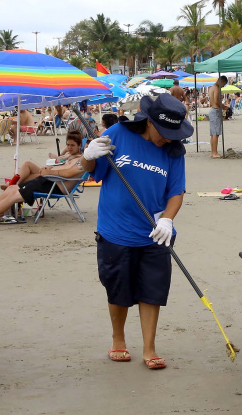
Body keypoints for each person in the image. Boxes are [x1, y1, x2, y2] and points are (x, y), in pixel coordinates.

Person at [79, 93, 193, 369]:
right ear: (149, 122)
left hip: (154, 232)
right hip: (116, 231)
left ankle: (149, 348)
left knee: (152, 290)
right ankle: (118, 339)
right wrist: (88, 156)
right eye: (164, 132)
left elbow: (176, 192)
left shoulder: (173, 150)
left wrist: (167, 220)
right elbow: (94, 173)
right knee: (117, 289)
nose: (168, 138)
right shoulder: (117, 133)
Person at [0, 133, 85, 222]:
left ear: (80, 145)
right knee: (12, 189)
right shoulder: (71, 156)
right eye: (68, 144)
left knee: (14, 196)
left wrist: (50, 172)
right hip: (48, 181)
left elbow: (69, 173)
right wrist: (51, 170)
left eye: (72, 145)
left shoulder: (82, 161)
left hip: (56, 185)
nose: (69, 147)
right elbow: (63, 164)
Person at [208, 75, 229, 158]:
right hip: (216, 111)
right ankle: (214, 153)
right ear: (221, 81)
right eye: (223, 84)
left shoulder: (211, 88)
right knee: (216, 133)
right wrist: (224, 107)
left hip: (213, 110)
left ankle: (213, 152)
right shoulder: (216, 88)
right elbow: (217, 101)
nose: (223, 86)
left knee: (213, 133)